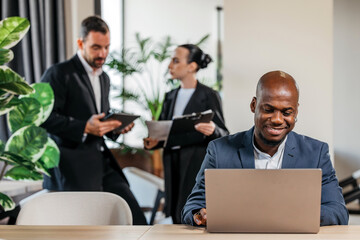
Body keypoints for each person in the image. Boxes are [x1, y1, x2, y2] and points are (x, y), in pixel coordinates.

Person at [182, 70, 349, 226]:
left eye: (286, 112)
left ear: (296, 111)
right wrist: (199, 215)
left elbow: (338, 211)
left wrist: (282, 215)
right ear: (254, 105)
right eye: (268, 110)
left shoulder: (316, 153)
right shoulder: (219, 151)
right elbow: (193, 207)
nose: (277, 119)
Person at [40, 16, 147, 225]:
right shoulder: (59, 74)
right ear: (80, 43)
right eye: (96, 47)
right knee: (85, 229)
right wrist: (84, 127)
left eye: (106, 47)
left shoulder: (104, 77)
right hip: (71, 166)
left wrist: (116, 128)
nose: (103, 54)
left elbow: (100, 117)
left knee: (135, 218)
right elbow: (44, 118)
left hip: (102, 161)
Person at [143, 44, 229, 223]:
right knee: (174, 211)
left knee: (191, 212)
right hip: (171, 162)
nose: (170, 66)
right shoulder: (170, 97)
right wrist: (154, 142)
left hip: (194, 164)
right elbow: (165, 131)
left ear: (192, 66)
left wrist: (213, 129)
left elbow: (223, 133)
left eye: (175, 61)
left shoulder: (209, 95)